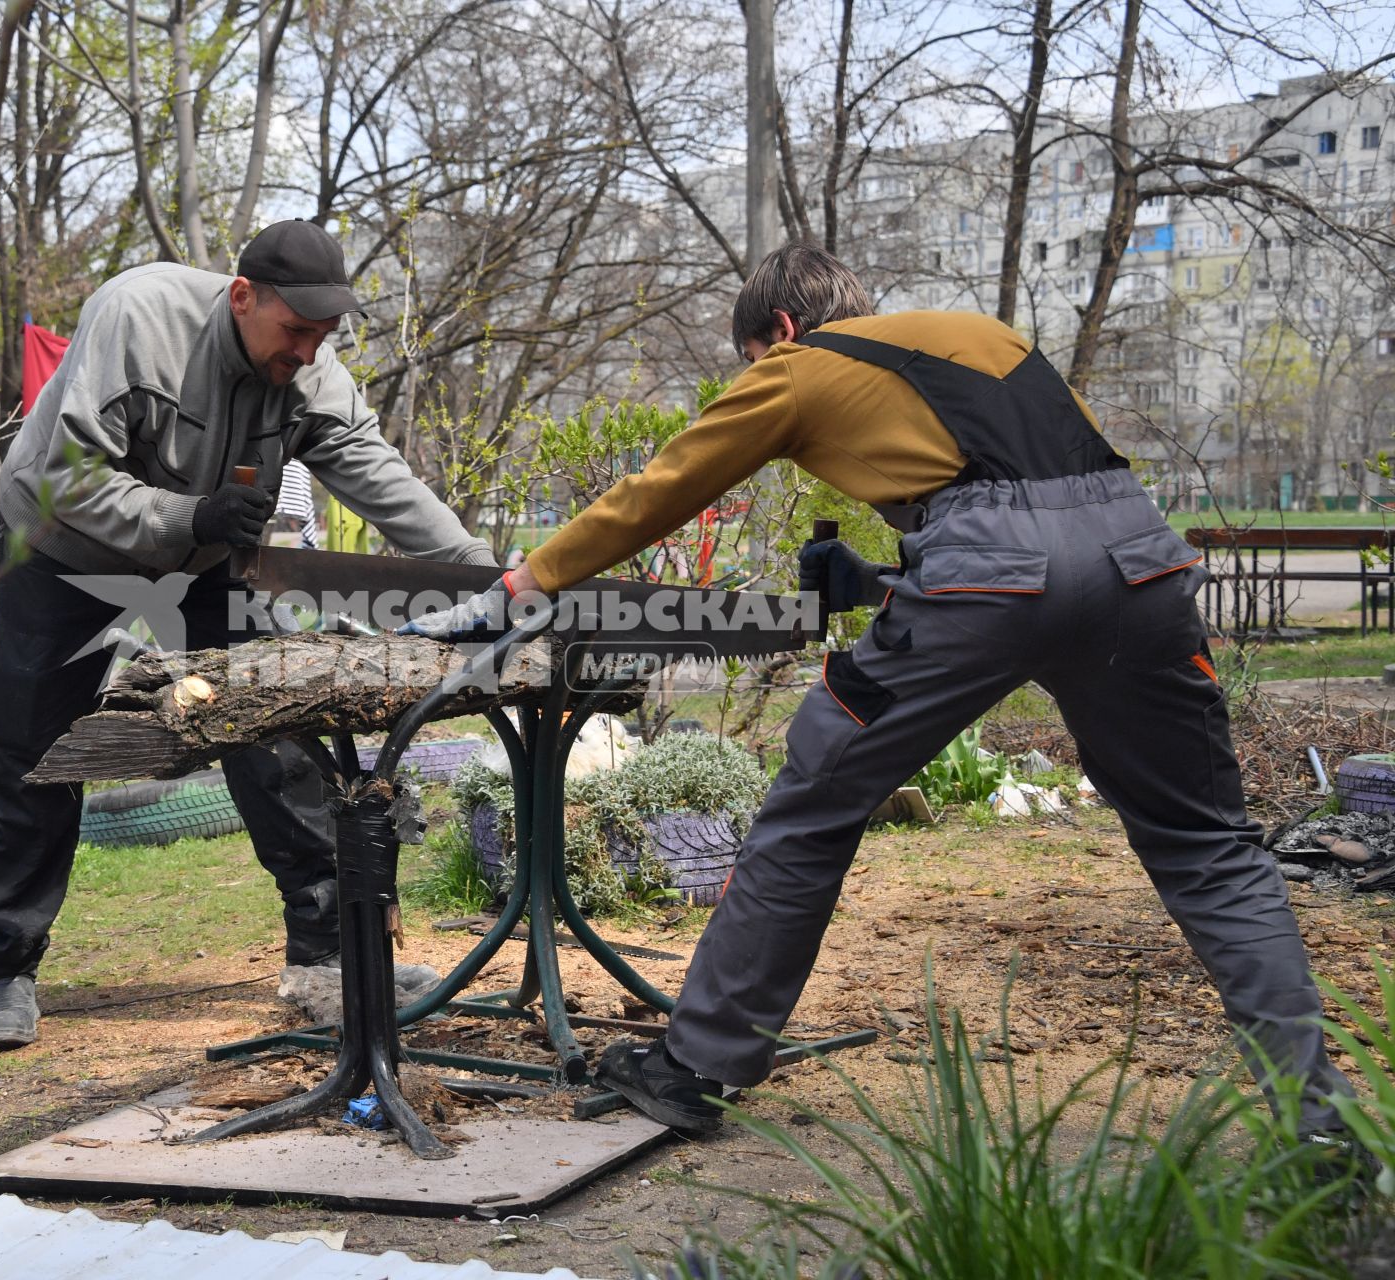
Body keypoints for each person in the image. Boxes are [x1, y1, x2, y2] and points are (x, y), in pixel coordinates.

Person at [404, 243, 1353, 1141]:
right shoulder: (986, 337)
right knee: (1209, 846)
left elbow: (663, 489)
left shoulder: (797, 368)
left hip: (989, 578)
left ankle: (695, 1067)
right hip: (1144, 565)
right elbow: (1052, 522)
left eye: (750, 359)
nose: (754, 375)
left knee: (810, 811)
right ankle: (1322, 1122)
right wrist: (871, 581)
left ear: (781, 328)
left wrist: (519, 590)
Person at [0, 219, 495, 1050]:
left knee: (278, 724)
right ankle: (6, 968)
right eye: (296, 333)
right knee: (35, 745)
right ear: (242, 297)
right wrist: (188, 511)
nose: (309, 354)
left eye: (324, 337)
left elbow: (375, 470)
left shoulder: (310, 374)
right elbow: (62, 477)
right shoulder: (139, 321)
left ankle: (327, 958)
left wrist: (477, 571)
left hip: (205, 553)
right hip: (61, 545)